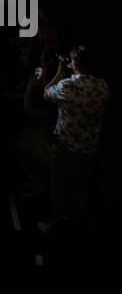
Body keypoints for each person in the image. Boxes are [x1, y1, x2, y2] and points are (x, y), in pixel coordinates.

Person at [39, 45, 110, 226]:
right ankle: (78, 226)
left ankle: (57, 226)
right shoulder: (103, 86)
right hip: (89, 148)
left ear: (74, 64)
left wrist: (59, 72)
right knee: (81, 189)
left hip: (66, 147)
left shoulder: (68, 86)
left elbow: (46, 93)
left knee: (59, 188)